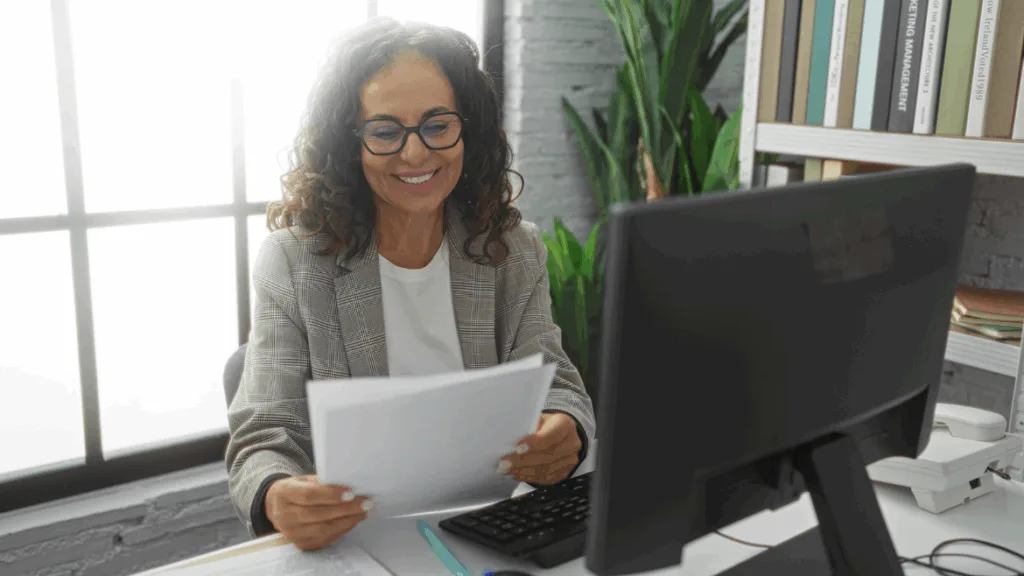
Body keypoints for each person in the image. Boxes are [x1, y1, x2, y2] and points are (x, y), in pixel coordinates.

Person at [225, 17, 596, 552]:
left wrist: (568, 427)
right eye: (384, 131)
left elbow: (556, 379)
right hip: (356, 541)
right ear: (348, 143)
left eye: (437, 125)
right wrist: (276, 495)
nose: (416, 153)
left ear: (467, 128)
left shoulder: (513, 248)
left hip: (486, 532)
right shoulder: (294, 261)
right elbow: (265, 430)